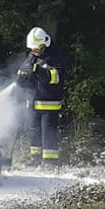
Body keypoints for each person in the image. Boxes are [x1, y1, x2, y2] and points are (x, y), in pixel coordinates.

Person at [17, 26, 66, 167]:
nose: (35, 51)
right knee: (32, 131)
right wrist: (22, 76)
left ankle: (50, 161)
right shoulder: (32, 56)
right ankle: (35, 159)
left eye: (38, 48)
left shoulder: (55, 57)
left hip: (49, 103)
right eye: (33, 49)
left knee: (47, 132)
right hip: (32, 102)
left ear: (45, 43)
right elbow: (25, 69)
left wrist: (39, 71)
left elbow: (57, 77)